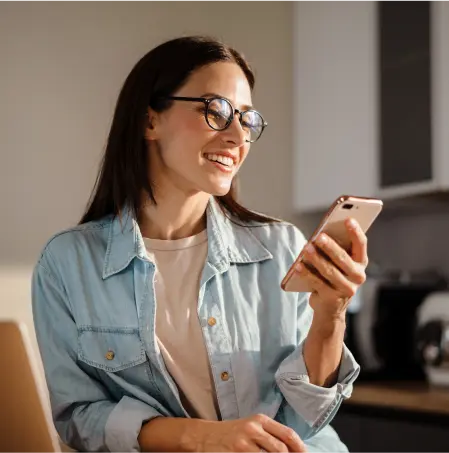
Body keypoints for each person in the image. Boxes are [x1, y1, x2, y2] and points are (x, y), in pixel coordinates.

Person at [32, 36, 367, 453]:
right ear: (149, 120)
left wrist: (331, 315)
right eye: (216, 110)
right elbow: (79, 417)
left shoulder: (280, 246)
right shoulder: (68, 263)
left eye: (246, 119)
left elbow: (306, 417)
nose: (237, 136)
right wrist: (205, 438)